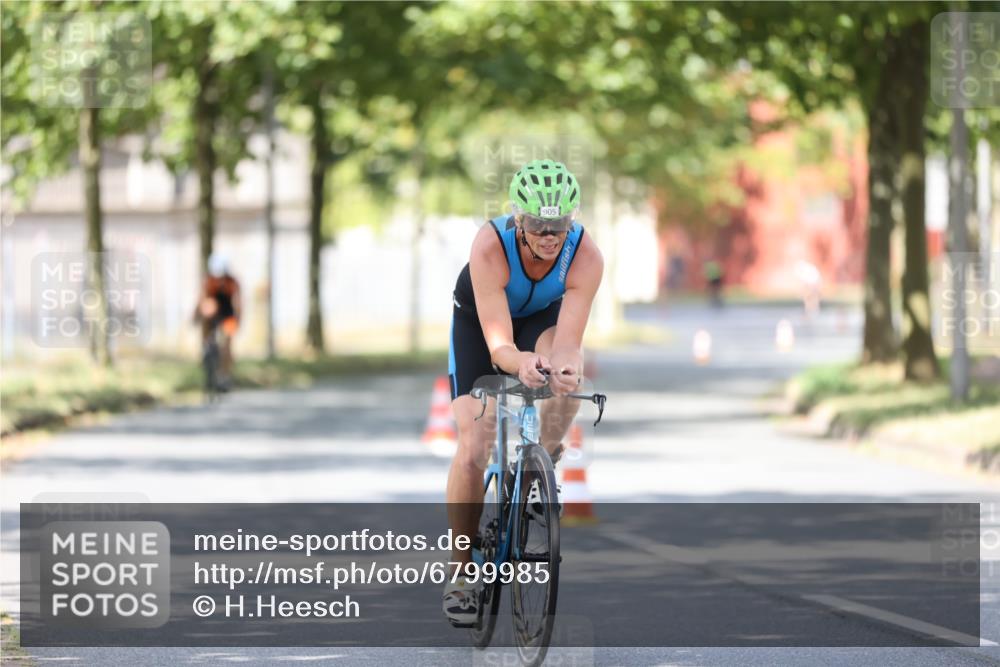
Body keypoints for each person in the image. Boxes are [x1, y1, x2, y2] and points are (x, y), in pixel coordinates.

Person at [441, 159, 604, 626]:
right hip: (482, 326)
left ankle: (539, 466)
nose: (549, 236)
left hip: (540, 320)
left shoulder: (586, 255)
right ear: (518, 220)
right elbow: (500, 348)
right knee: (475, 442)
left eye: (559, 225)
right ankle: (461, 573)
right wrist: (521, 363)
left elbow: (568, 343)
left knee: (569, 379)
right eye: (537, 225)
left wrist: (562, 369)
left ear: (572, 220)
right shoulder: (490, 245)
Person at [195, 253, 241, 389]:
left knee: (227, 344)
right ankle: (206, 348)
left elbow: (238, 304)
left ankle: (224, 375)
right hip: (213, 315)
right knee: (206, 319)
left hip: (228, 315)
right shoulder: (208, 281)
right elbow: (202, 300)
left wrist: (238, 320)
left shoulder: (233, 282)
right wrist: (196, 316)